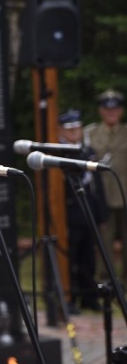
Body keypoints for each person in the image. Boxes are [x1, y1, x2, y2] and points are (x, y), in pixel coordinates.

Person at [58, 109, 107, 312]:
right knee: (71, 258)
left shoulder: (88, 150)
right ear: (61, 130)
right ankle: (70, 297)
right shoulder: (58, 153)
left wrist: (101, 213)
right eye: (70, 129)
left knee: (89, 258)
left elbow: (97, 185)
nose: (74, 132)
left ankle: (89, 297)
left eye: (77, 127)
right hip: (70, 215)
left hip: (89, 213)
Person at [85, 88, 127, 283]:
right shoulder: (90, 133)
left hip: (125, 193)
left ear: (121, 110)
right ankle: (106, 280)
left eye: (115, 108)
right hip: (101, 196)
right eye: (107, 108)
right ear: (101, 110)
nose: (111, 112)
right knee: (104, 240)